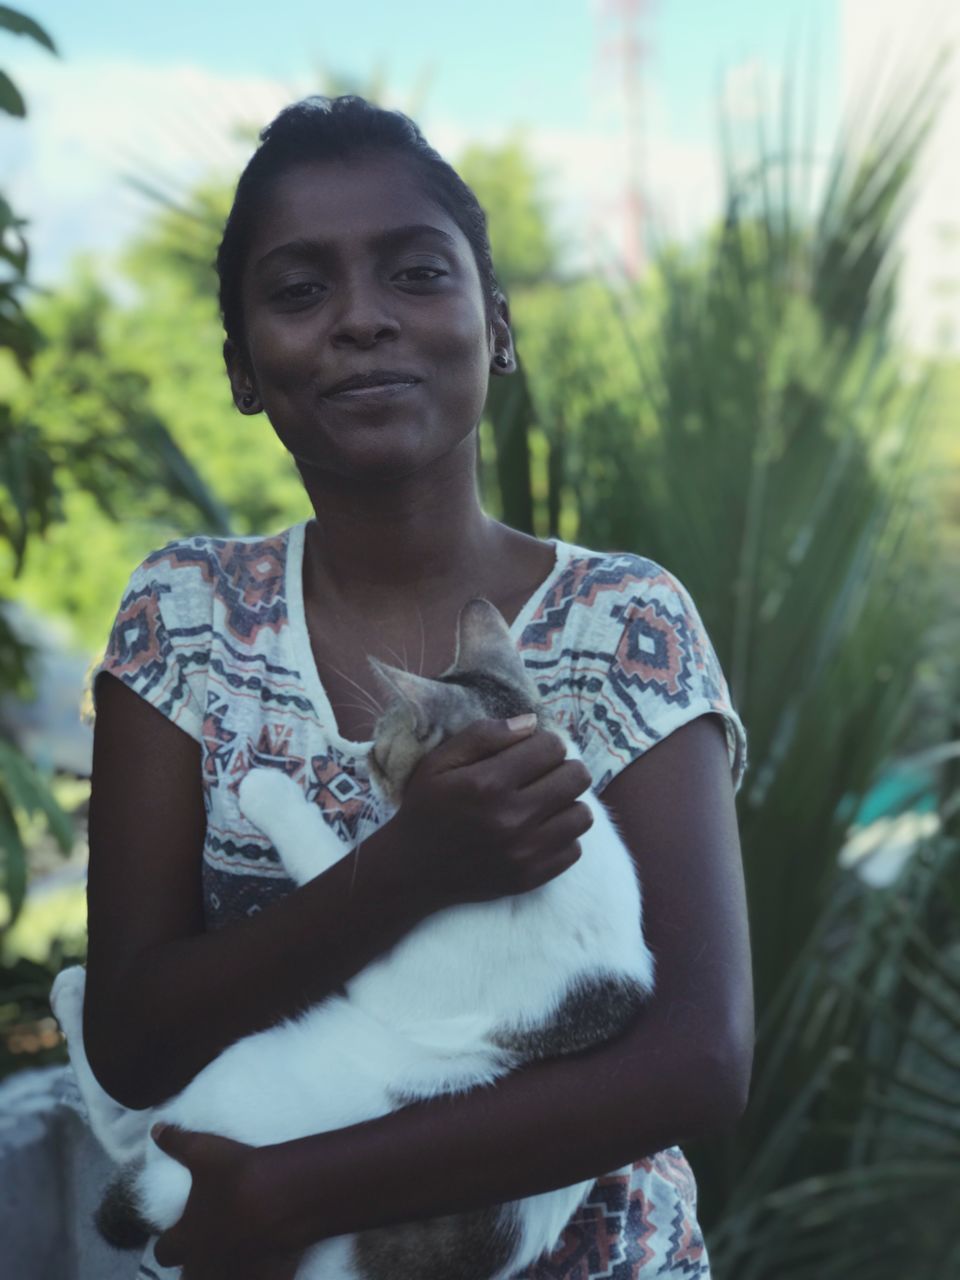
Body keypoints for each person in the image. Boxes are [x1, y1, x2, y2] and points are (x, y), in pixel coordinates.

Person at [81, 95, 753, 1280]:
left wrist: (284, 1195)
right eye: (299, 292)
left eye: (415, 273)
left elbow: (698, 1058)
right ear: (242, 367)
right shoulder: (180, 617)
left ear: (496, 328)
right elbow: (132, 1038)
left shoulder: (625, 624)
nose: (361, 321)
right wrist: (410, 869)